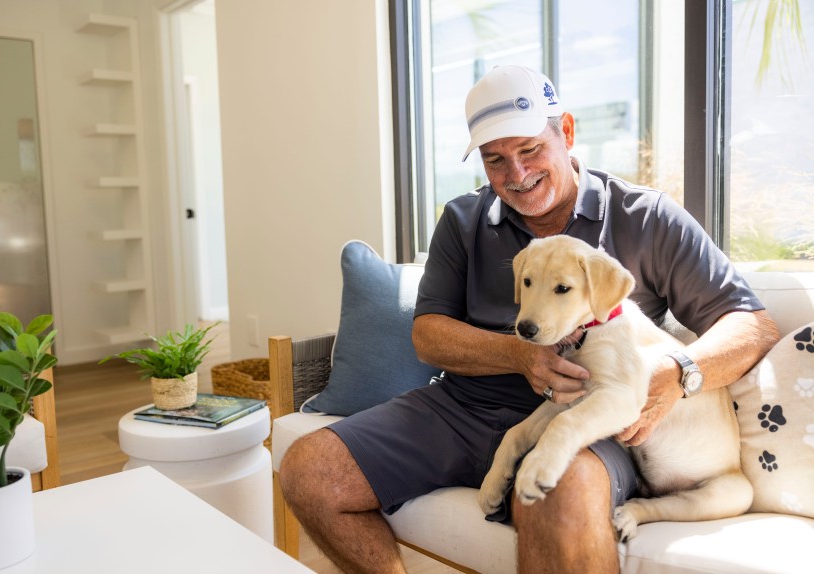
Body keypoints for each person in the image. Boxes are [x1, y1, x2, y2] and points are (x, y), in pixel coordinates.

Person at [279, 65, 779, 573]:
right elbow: (427, 334)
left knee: (558, 493)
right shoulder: (462, 220)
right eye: (495, 160)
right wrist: (520, 356)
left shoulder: (647, 218)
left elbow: (753, 326)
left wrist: (677, 374)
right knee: (309, 470)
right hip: (464, 406)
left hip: (591, 422)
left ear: (565, 132)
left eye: (530, 150)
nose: (516, 175)